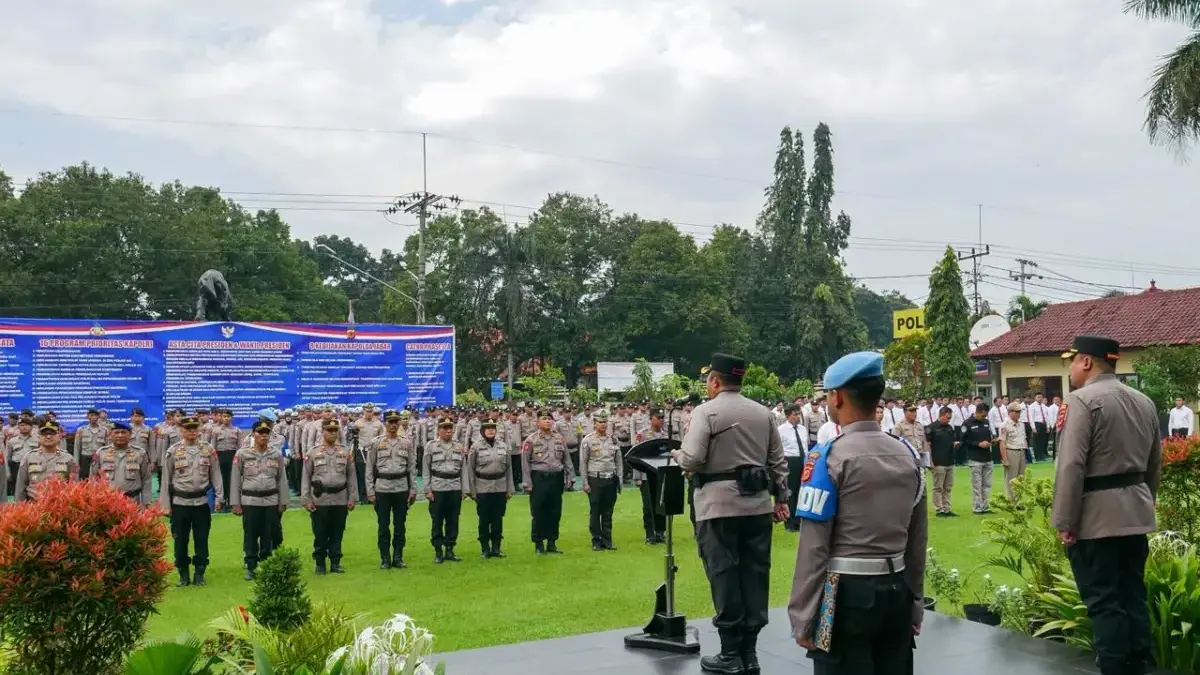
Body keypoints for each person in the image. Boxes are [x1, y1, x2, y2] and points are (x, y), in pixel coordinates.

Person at [789, 351, 928, 675]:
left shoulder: (826, 458)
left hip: (845, 596)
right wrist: (916, 604)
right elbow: (917, 540)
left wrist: (803, 617)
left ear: (836, 397)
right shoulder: (907, 454)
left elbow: (814, 546)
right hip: (897, 590)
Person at [673, 353, 789, 675]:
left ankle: (729, 653)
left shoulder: (705, 412)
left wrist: (677, 454)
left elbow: (693, 458)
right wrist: (782, 499)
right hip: (757, 507)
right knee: (755, 574)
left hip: (717, 507)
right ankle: (750, 654)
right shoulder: (763, 413)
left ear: (714, 380)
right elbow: (778, 462)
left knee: (723, 574)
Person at [1053, 335, 1161, 675]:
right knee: (1133, 596)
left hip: (1096, 519)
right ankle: (1139, 664)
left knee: (1104, 603)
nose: (1070, 367)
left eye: (1072, 360)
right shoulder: (1144, 401)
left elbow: (1071, 465)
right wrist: (1144, 504)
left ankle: (1114, 668)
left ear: (1086, 362)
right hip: (1135, 514)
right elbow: (1153, 465)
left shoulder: (1081, 401)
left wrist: (1065, 521)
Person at [160, 416, 223, 587]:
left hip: (201, 502)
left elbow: (216, 475)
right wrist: (165, 505)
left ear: (199, 430)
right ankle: (183, 573)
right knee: (180, 541)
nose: (192, 432)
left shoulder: (208, 449)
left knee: (201, 539)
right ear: (182, 431)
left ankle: (200, 572)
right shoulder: (173, 451)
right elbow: (166, 479)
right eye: (188, 429)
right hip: (180, 503)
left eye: (195, 428)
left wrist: (219, 497)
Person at [231, 419, 288, 580]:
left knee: (268, 534)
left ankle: (266, 563)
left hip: (270, 500)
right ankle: (251, 565)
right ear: (253, 434)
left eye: (266, 433)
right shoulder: (242, 453)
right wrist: (235, 503)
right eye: (260, 433)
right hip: (250, 501)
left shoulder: (275, 454)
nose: (263, 436)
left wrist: (283, 501)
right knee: (250, 534)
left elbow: (281, 479)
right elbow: (235, 479)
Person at [302, 419, 357, 575]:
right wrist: (306, 499)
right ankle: (320, 563)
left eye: (335, 430)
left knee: (337, 532)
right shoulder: (313, 452)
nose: (333, 433)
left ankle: (335, 562)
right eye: (329, 430)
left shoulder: (345, 452)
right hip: (321, 498)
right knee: (320, 532)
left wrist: (352, 497)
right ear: (322, 431)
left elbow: (351, 477)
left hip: (340, 497)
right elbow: (306, 477)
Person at [366, 410, 418, 569]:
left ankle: (398, 557)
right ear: (384, 423)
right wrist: (370, 491)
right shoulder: (376, 443)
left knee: (400, 525)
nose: (393, 425)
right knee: (383, 525)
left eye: (396, 421)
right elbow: (370, 468)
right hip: (382, 488)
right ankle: (385, 558)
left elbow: (411, 468)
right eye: (390, 422)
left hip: (401, 487)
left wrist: (413, 489)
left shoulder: (406, 443)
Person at [522, 410, 574, 555]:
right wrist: (527, 483)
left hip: (556, 478)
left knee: (555, 511)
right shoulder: (531, 440)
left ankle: (552, 542)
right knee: (539, 511)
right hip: (539, 478)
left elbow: (566, 459)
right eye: (544, 419)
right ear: (537, 422)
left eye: (550, 419)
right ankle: (538, 543)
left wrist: (571, 477)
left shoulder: (559, 438)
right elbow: (525, 463)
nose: (548, 421)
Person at [467, 419, 515, 558]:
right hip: (483, 487)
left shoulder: (504, 446)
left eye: (493, 428)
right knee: (484, 519)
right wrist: (472, 491)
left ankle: (496, 548)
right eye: (487, 428)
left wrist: (509, 489)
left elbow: (508, 469)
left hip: (500, 486)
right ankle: (485, 548)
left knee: (497, 519)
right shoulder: (475, 447)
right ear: (482, 431)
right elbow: (470, 469)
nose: (490, 430)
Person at [424, 417, 467, 564]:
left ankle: (450, 549)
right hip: (438, 487)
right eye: (445, 428)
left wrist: (464, 489)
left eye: (450, 428)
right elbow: (425, 469)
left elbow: (464, 469)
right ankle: (438, 551)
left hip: (455, 487)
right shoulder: (431, 446)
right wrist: (427, 489)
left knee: (453, 520)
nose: (449, 431)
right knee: (437, 520)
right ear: (439, 430)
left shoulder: (459, 447)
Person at [580, 409, 623, 552]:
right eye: (600, 422)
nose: (603, 424)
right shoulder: (588, 440)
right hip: (595, 479)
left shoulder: (613, 439)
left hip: (610, 478)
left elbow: (618, 461)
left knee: (608, 511)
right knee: (595, 510)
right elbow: (583, 463)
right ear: (594, 423)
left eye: (605, 421)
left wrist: (620, 479)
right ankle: (596, 540)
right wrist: (585, 482)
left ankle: (607, 540)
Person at [14, 420, 79, 502]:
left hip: (59, 507)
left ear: (59, 436)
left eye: (52, 433)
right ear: (39, 437)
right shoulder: (29, 457)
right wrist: (20, 508)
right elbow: (20, 487)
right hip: (33, 506)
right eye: (44, 434)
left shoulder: (68, 458)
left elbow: (74, 487)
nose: (48, 436)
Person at [90, 421, 152, 505]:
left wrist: (146, 502)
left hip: (132, 501)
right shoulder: (100, 453)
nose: (120, 435)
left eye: (123, 432)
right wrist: (94, 500)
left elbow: (146, 480)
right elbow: (93, 478)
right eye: (116, 432)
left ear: (130, 435)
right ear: (110, 435)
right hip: (107, 500)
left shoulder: (140, 453)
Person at [633, 408, 669, 545]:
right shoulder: (642, 435)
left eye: (663, 417)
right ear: (651, 418)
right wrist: (638, 477)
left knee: (661, 504)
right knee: (648, 506)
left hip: (661, 475)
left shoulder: (665, 435)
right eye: (658, 417)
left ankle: (660, 533)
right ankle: (650, 534)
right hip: (646, 475)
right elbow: (635, 456)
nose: (661, 420)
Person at [778, 404, 808, 533]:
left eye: (798, 414)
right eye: (795, 415)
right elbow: (778, 449)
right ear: (787, 416)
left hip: (803, 461)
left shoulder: (802, 429)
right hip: (790, 461)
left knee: (802, 491)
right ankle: (790, 522)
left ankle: (799, 521)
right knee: (790, 492)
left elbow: (805, 446)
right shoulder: (781, 430)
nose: (798, 417)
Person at [925, 407, 958, 517]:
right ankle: (939, 509)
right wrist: (930, 461)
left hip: (949, 460)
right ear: (942, 414)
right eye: (948, 417)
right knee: (938, 487)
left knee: (948, 487)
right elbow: (927, 446)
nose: (949, 420)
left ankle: (947, 508)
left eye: (950, 418)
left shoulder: (949, 428)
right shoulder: (931, 428)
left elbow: (952, 441)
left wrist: (955, 444)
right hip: (938, 461)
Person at [961, 403, 994, 514]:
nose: (984, 417)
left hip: (987, 457)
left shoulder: (986, 422)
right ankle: (977, 506)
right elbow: (964, 440)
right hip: (975, 457)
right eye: (983, 415)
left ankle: (985, 505)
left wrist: (990, 442)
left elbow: (989, 436)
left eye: (985, 415)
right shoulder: (967, 423)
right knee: (977, 484)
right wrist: (978, 444)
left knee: (987, 484)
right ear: (978, 412)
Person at [998, 403, 1029, 499]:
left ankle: (1019, 499)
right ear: (1010, 412)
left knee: (1021, 477)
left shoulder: (1021, 424)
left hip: (1021, 451)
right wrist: (1005, 459)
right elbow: (1002, 443)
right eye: (1017, 412)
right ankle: (1011, 500)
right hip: (1011, 451)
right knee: (1011, 478)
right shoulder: (1004, 425)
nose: (1019, 414)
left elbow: (1024, 439)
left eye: (1020, 412)